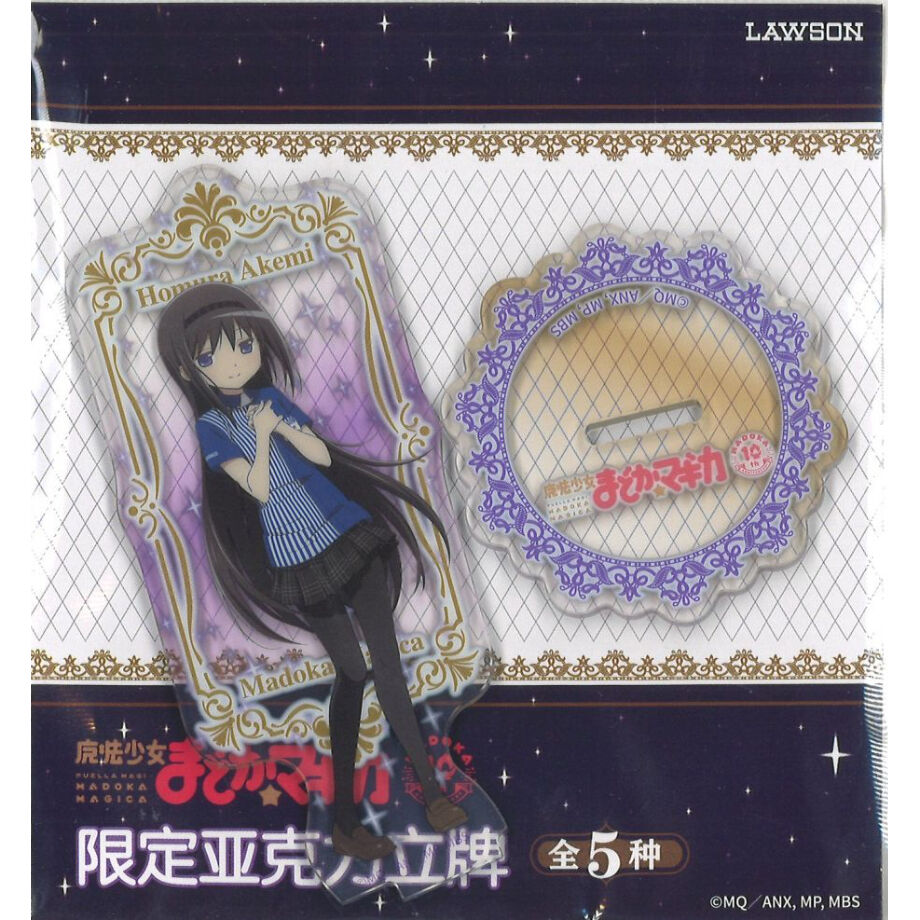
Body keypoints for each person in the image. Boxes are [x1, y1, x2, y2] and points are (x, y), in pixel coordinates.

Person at [157, 282, 466, 860]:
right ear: (187, 369)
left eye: (242, 345)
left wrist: (284, 426)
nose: (233, 362)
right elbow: (257, 487)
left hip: (345, 531)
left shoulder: (269, 397)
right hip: (299, 557)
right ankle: (345, 822)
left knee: (389, 667)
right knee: (352, 672)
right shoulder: (213, 427)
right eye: (212, 356)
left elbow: (322, 456)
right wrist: (264, 436)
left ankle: (433, 793)